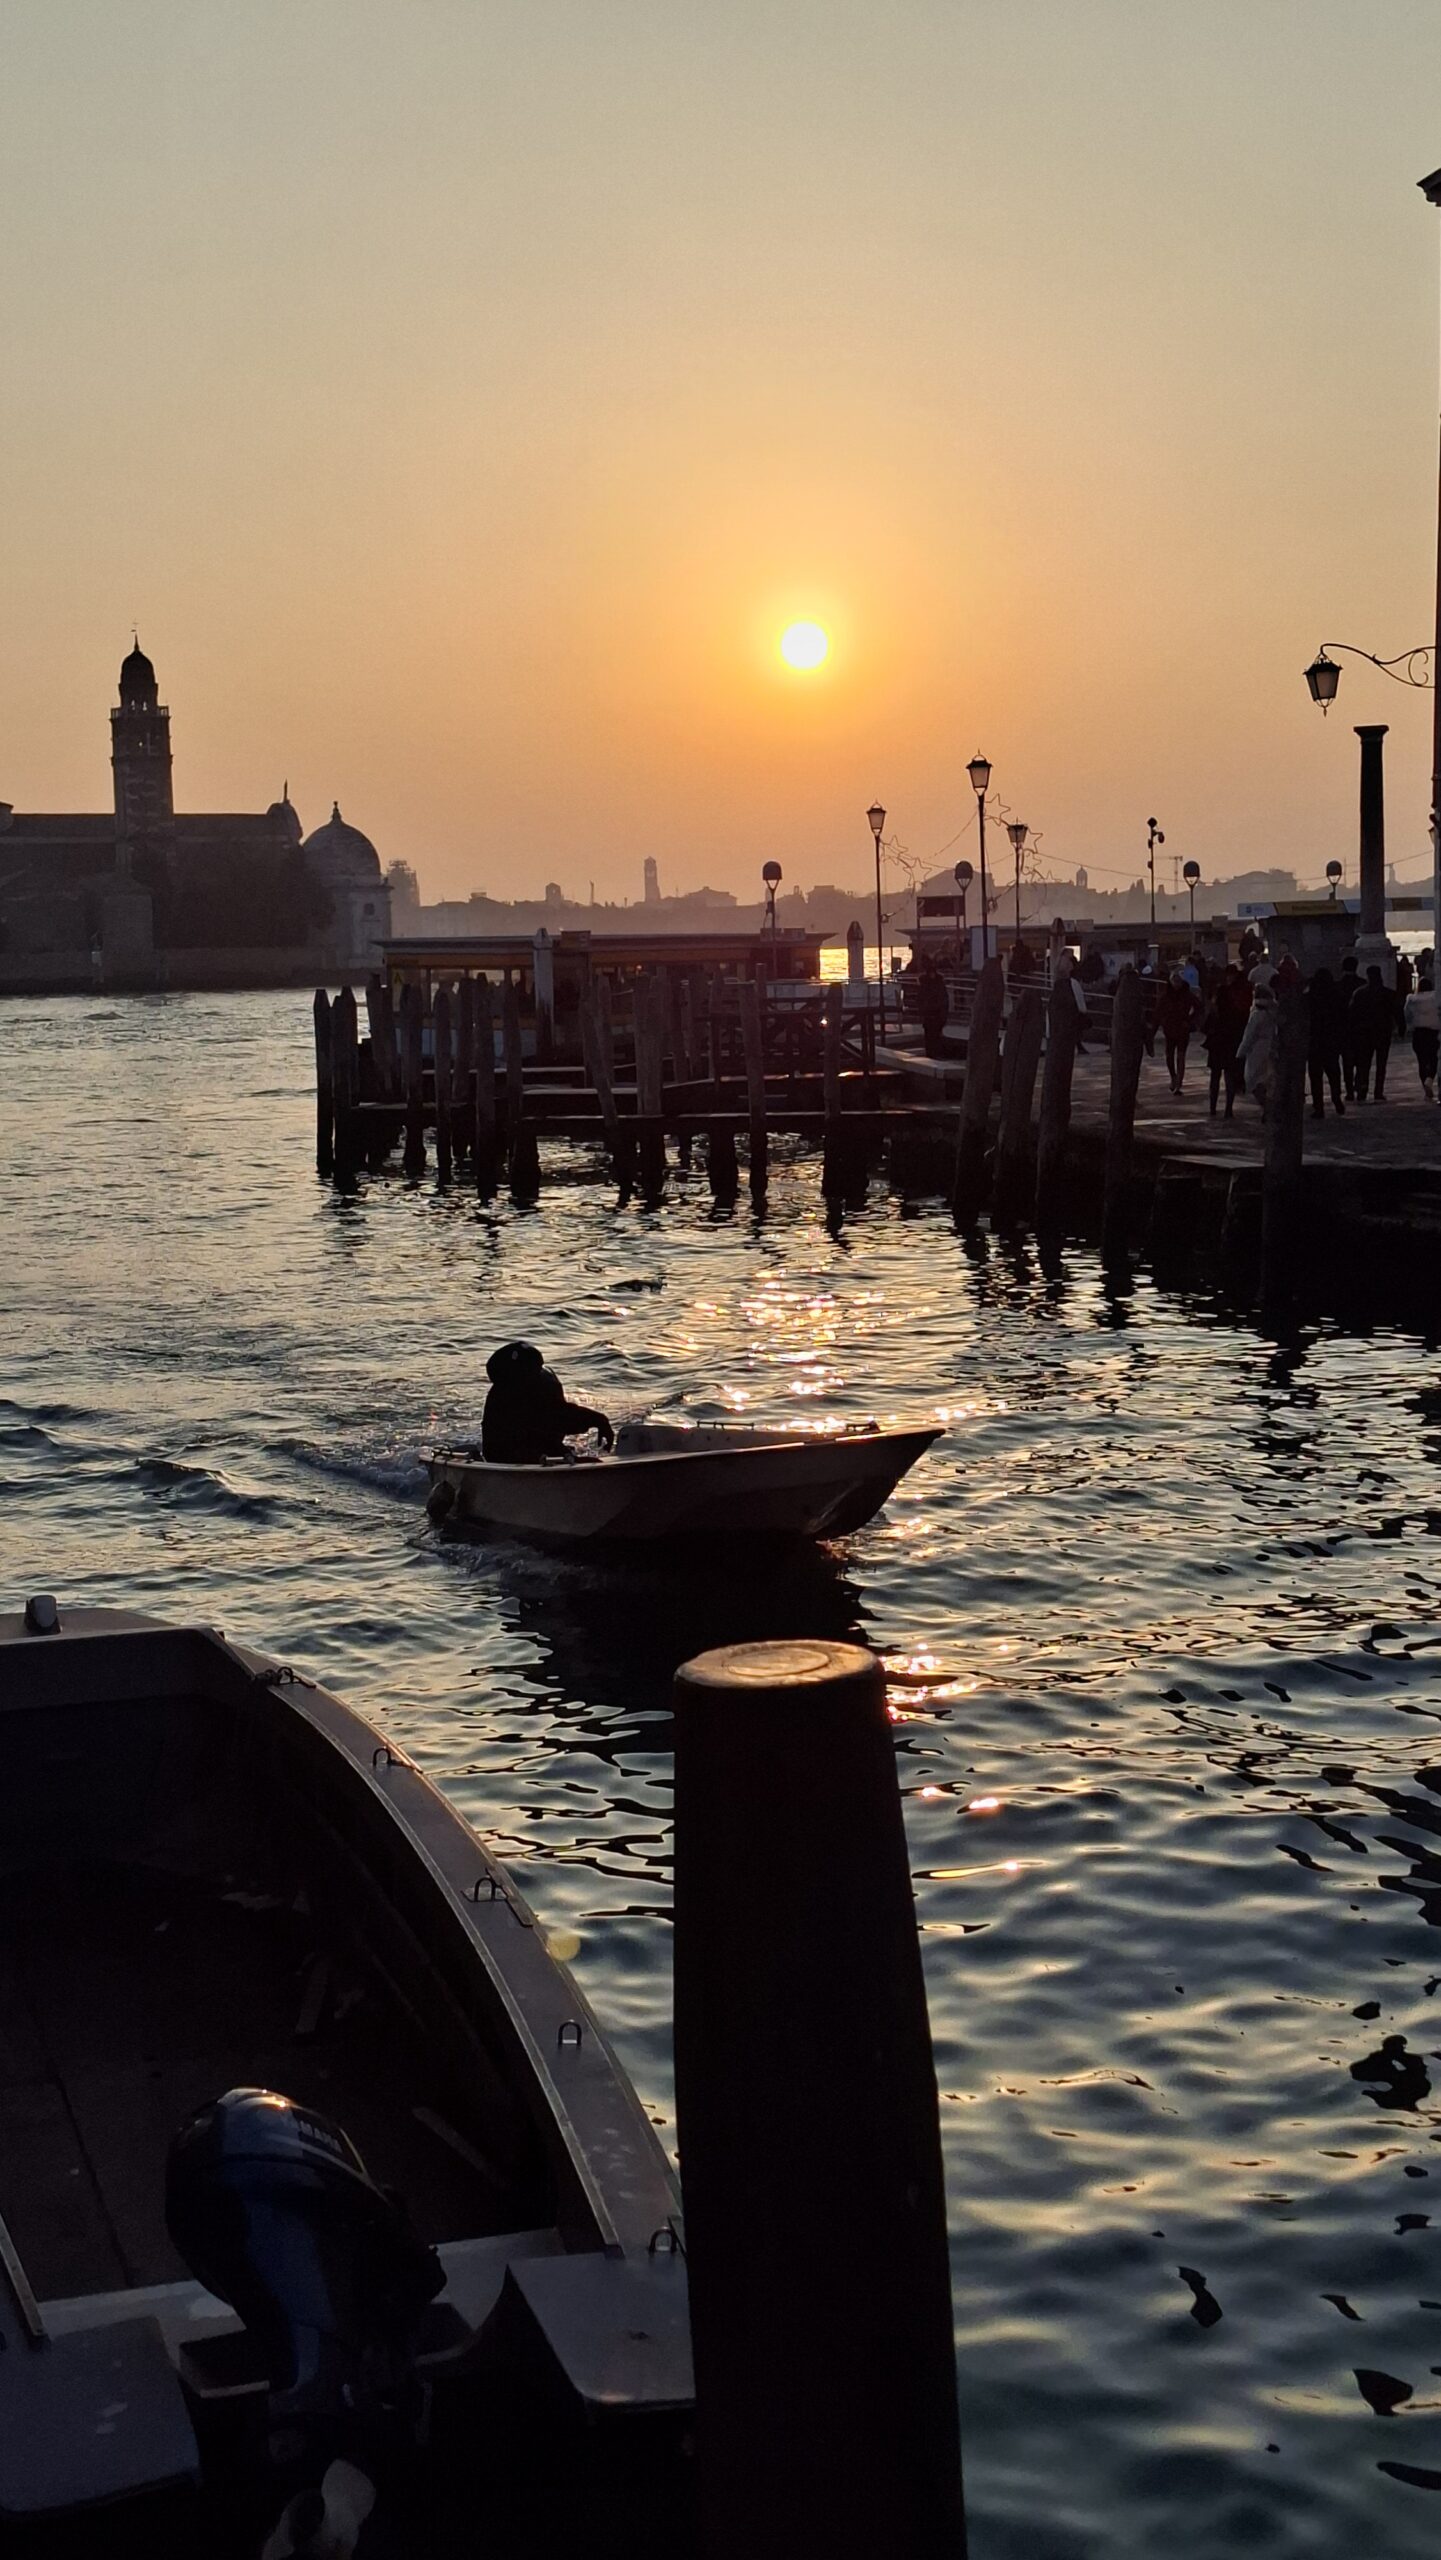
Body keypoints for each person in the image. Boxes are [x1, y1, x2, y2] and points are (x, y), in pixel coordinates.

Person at [481, 1341, 614, 1463]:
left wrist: (598, 1419)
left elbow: (559, 1412)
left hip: (546, 1447)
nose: (536, 1375)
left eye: (538, 1368)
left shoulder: (545, 1383)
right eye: (531, 1371)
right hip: (507, 1455)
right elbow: (554, 1417)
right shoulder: (504, 1397)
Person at [1203, 965, 1249, 1118]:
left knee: (1215, 1076)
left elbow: (1208, 1021)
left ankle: (1212, 1108)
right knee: (1230, 1075)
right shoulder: (1237, 1001)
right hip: (1231, 1040)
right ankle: (1228, 1109)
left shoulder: (1218, 1005)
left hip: (1217, 1041)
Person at [1305, 966, 1347, 1120]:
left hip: (1315, 1040)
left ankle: (1319, 1107)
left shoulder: (1310, 997)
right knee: (1334, 1073)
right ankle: (1336, 1098)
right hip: (1331, 1039)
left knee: (1315, 1076)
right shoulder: (1337, 996)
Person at [1349, 964, 1394, 1102]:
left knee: (1364, 1063)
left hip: (1364, 1032)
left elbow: (1352, 1013)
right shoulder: (1388, 993)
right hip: (1383, 1032)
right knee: (1381, 1064)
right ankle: (1378, 1091)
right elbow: (1396, 1011)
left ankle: (1362, 1088)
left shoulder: (1359, 993)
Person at [1156, 969, 1201, 1096]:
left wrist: (1190, 1020)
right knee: (1169, 1056)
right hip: (1170, 1028)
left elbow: (1198, 1007)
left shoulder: (1186, 994)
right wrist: (1162, 1022)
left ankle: (1178, 1083)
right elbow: (1158, 1011)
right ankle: (1173, 1077)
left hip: (1182, 1028)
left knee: (1181, 1056)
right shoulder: (1165, 995)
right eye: (1174, 981)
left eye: (1178, 981)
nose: (1176, 984)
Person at [1237, 982, 1277, 1116]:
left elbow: (1249, 1035)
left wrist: (1241, 1052)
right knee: (1268, 1079)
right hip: (1271, 1047)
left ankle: (1266, 1106)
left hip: (1256, 1049)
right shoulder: (1273, 1013)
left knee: (1253, 1080)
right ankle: (1270, 1106)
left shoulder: (1256, 1015)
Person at [1404, 971, 1439, 1100]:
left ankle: (1425, 1084)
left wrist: (1408, 1027)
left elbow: (1407, 1015)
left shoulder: (1411, 999)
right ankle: (1430, 1079)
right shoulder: (1436, 997)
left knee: (1422, 1060)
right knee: (1434, 1058)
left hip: (1418, 1033)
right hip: (1434, 1032)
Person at [1338, 953, 1361, 1097]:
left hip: (1343, 1027)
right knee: (1361, 1059)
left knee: (1347, 1061)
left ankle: (1349, 1089)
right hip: (1359, 1027)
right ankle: (1359, 1084)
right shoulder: (1362, 984)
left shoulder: (1338, 985)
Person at [916, 955, 949, 1058]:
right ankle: (931, 1054)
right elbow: (920, 999)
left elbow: (944, 999)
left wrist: (943, 1014)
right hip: (929, 1013)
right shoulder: (927, 983)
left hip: (936, 1013)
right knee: (930, 1036)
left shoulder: (936, 983)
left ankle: (934, 1054)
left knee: (935, 1036)